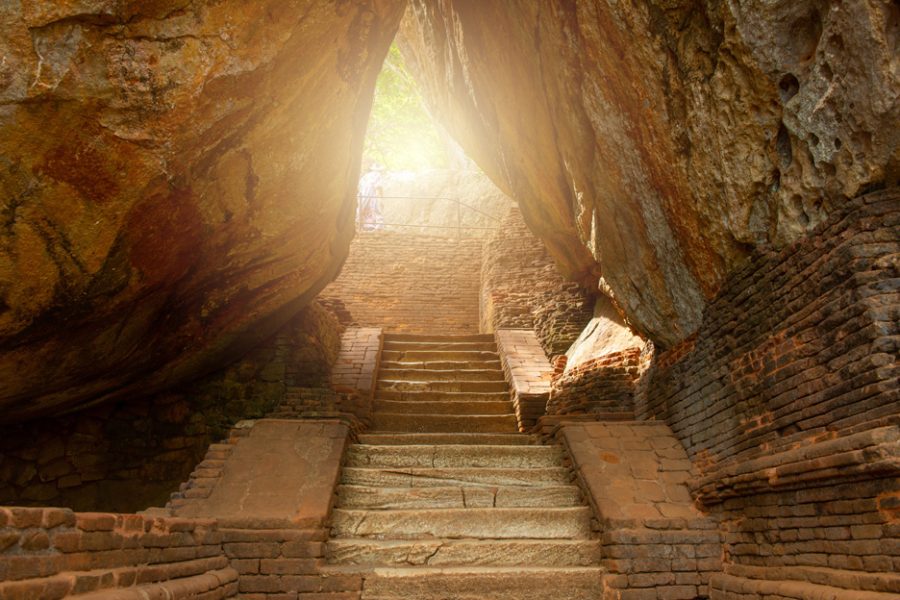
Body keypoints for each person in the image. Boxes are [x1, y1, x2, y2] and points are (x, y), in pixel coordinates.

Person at [357, 163, 385, 231]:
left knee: (362, 206)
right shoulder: (378, 175)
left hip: (363, 193)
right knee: (375, 207)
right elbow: (379, 187)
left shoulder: (366, 176)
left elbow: (360, 185)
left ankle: (363, 223)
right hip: (371, 192)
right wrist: (381, 197)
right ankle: (378, 225)